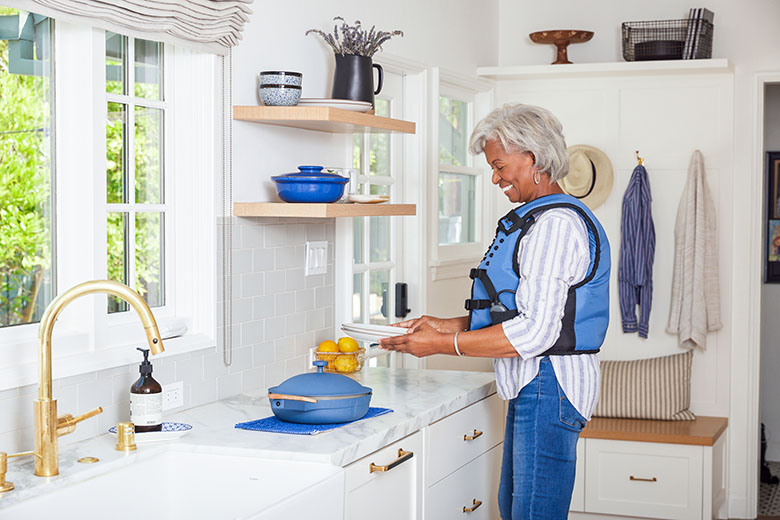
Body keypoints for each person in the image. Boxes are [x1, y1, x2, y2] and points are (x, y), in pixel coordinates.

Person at [379, 104, 611, 520]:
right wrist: (442, 324)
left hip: (549, 384)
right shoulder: (544, 218)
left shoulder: (555, 225)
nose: (495, 177)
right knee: (514, 507)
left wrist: (441, 344)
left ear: (534, 158)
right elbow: (527, 312)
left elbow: (537, 332)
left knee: (531, 513)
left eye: (500, 165)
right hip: (537, 385)